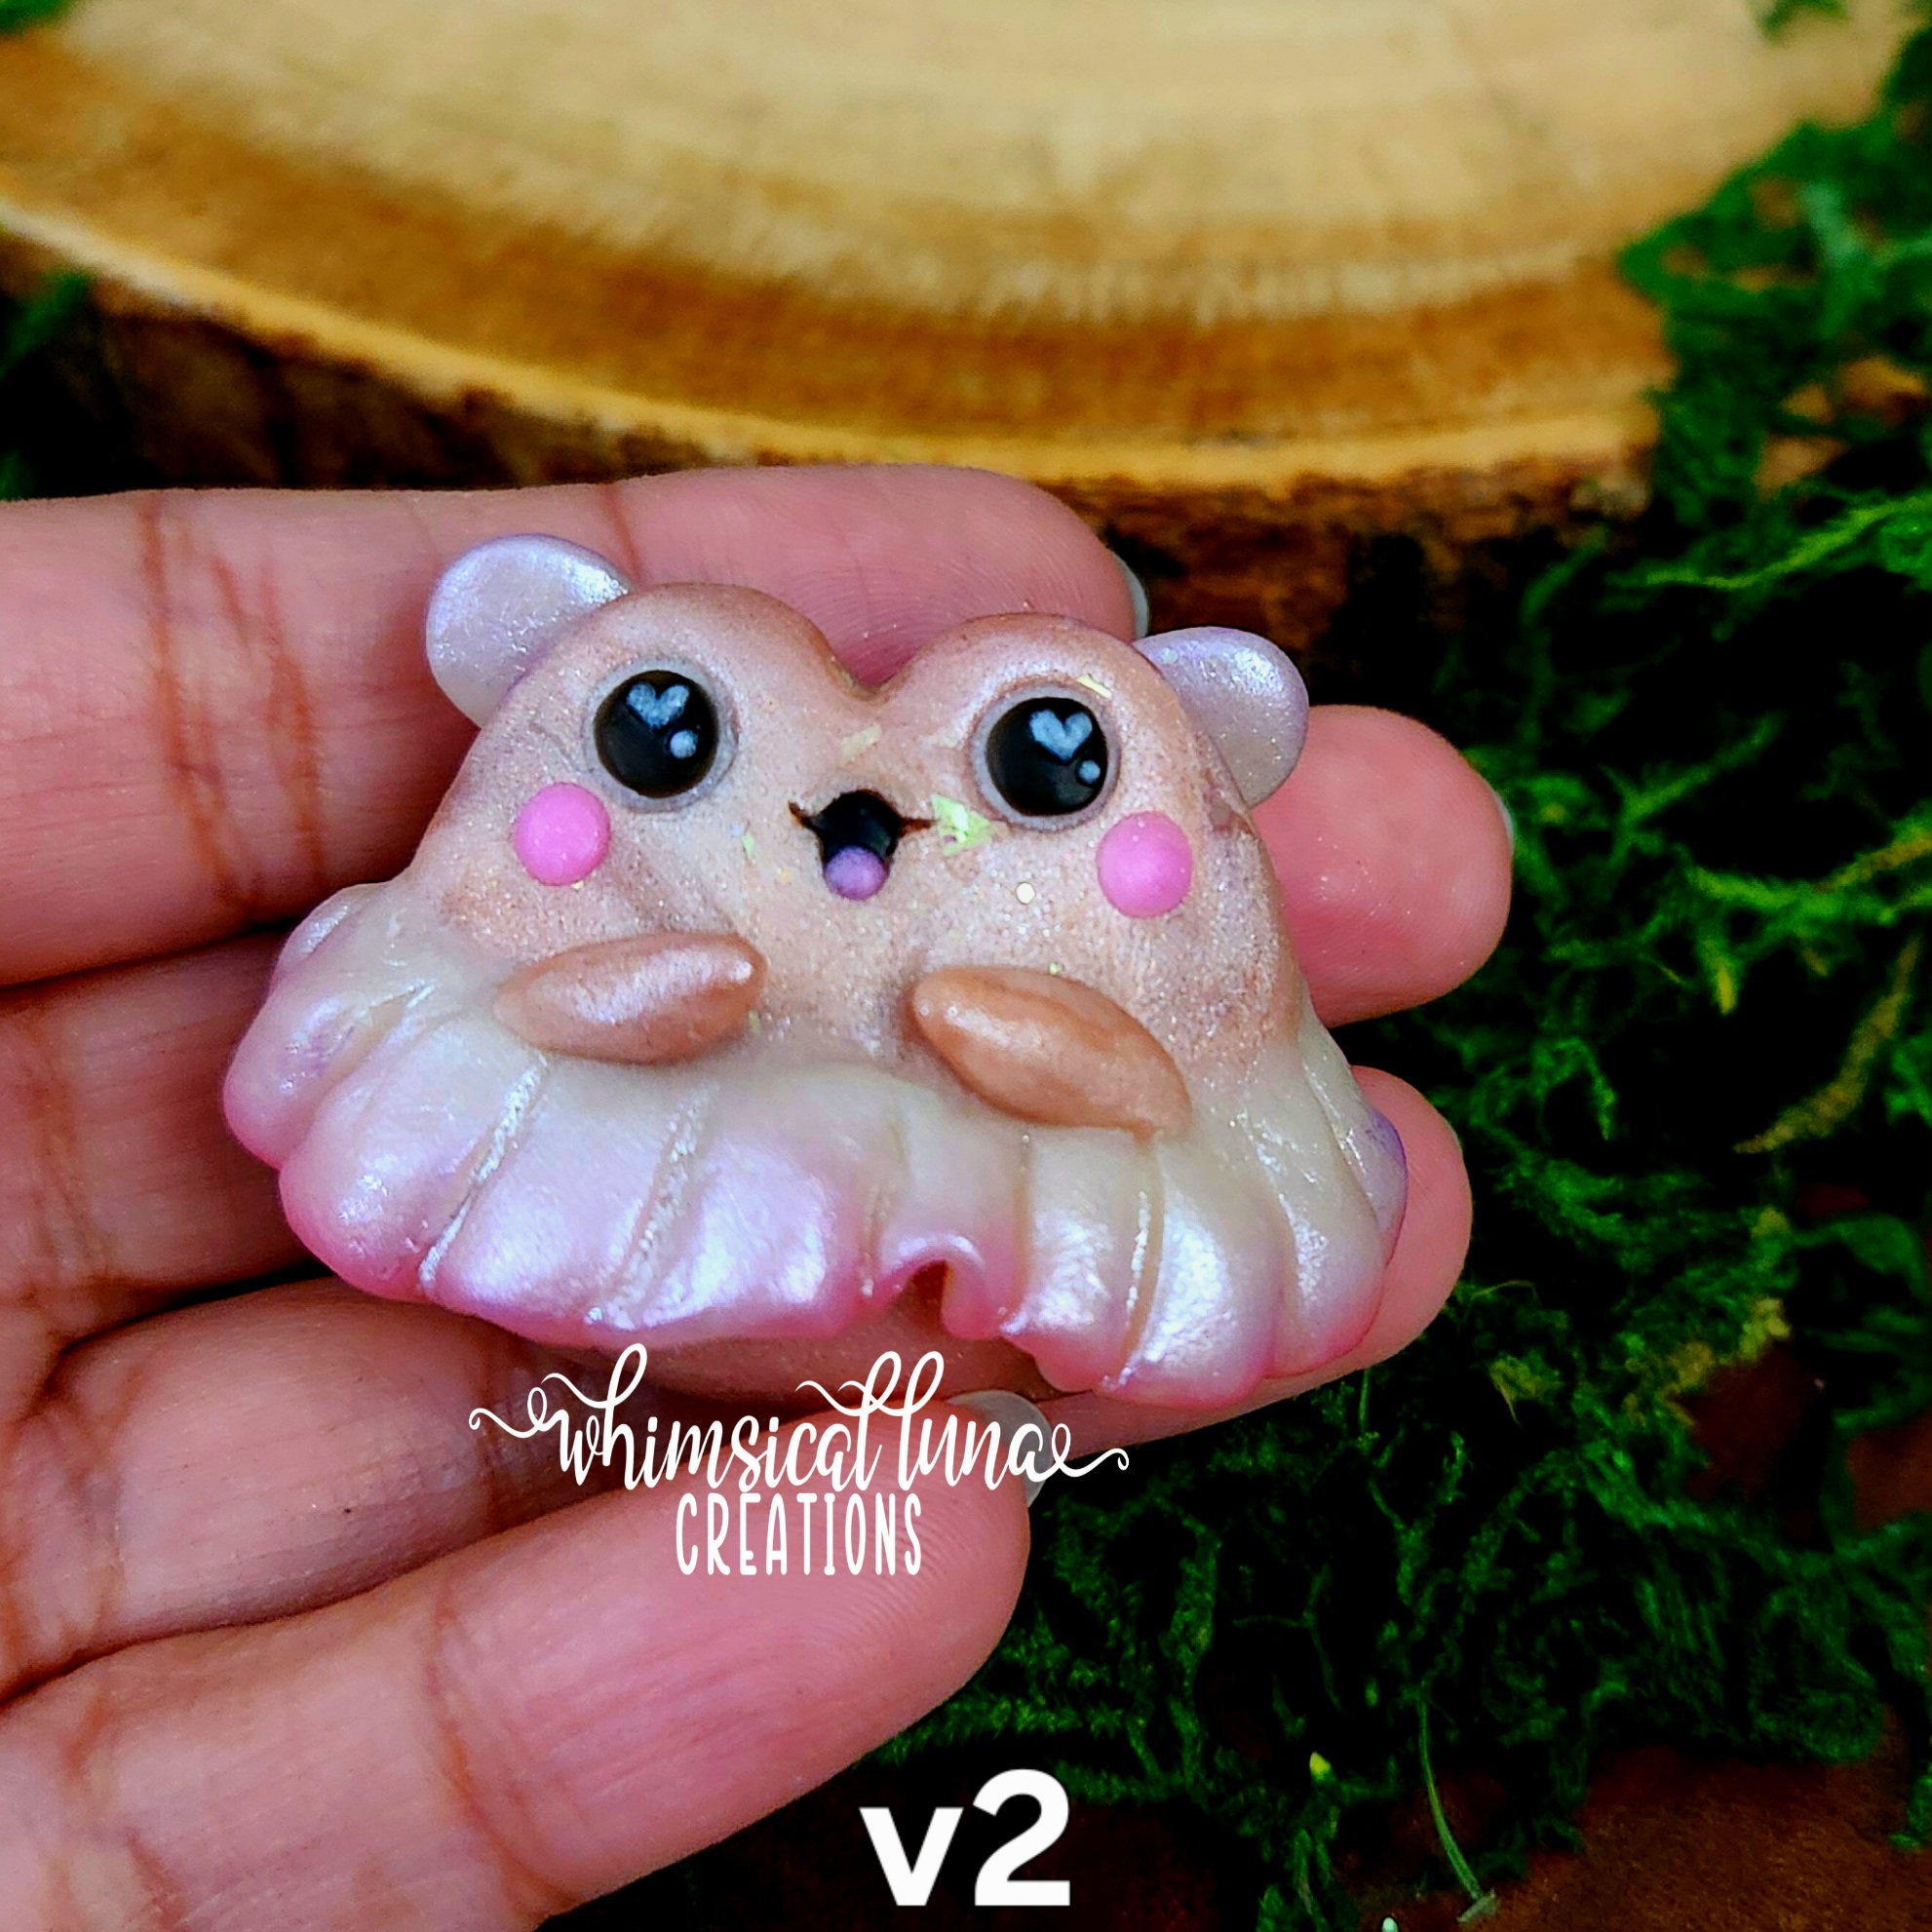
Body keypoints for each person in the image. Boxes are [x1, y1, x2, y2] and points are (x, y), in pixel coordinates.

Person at [0, 464, 1507, 1925]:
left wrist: (1046, 1048)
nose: (857, 816)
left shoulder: (1193, 1038)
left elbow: (1156, 1093)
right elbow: (501, 1019)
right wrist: (636, 994)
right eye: (661, 735)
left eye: (1051, 761)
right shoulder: (457, 975)